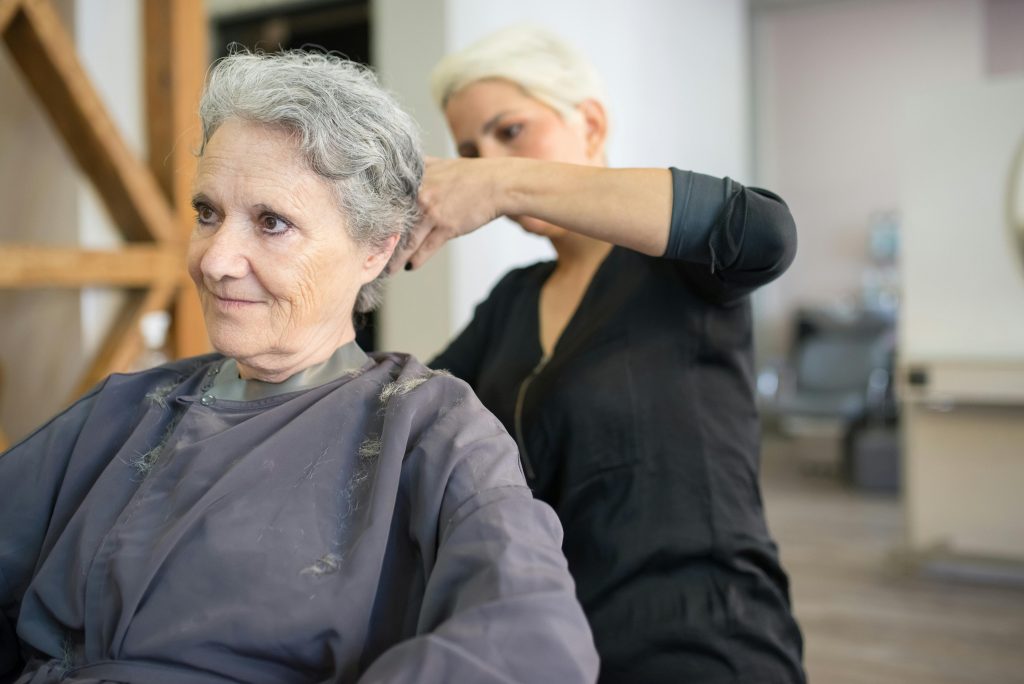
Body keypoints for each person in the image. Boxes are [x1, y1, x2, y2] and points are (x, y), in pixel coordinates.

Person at [0, 50, 599, 684]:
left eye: (272, 223)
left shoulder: (428, 428)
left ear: (376, 248)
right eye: (208, 214)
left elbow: (534, 646)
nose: (216, 260)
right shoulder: (128, 407)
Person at [392, 25, 806, 683]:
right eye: (470, 149)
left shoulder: (677, 268)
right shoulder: (513, 302)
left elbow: (766, 231)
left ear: (590, 123)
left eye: (510, 131)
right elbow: (405, 411)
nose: (486, 159)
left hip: (707, 642)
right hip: (563, 652)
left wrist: (505, 182)